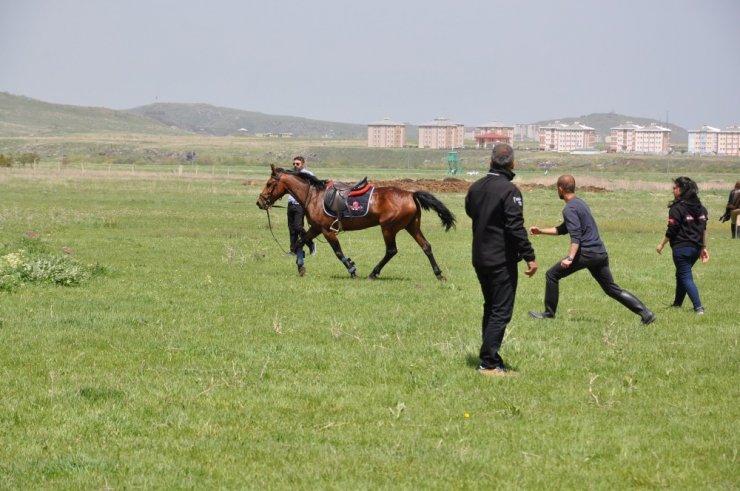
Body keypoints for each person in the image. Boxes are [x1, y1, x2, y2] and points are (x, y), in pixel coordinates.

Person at [528, 175, 656, 325]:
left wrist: (570, 258)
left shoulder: (569, 208)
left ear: (560, 189)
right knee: (611, 289)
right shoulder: (580, 203)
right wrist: (541, 231)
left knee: (552, 275)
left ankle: (549, 313)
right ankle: (646, 313)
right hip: (600, 253)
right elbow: (564, 229)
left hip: (587, 253)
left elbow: (576, 236)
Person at [465, 143, 538, 377]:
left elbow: (471, 212)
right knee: (501, 311)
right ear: (513, 164)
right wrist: (529, 256)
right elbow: (515, 226)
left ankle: (491, 357)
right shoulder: (509, 191)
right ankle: (487, 363)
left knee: (491, 307)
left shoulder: (475, 188)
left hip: (479, 257)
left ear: (490, 162)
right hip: (500, 260)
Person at [656, 176, 709, 314]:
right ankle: (677, 304)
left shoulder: (677, 208)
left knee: (685, 276)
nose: (672, 191)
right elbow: (703, 230)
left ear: (682, 189)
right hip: (696, 249)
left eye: (674, 188)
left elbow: (672, 230)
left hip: (682, 249)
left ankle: (698, 308)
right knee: (681, 274)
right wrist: (703, 248)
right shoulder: (701, 208)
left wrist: (661, 244)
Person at [286, 156, 316, 259]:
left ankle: (310, 244)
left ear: (302, 164)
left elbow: (314, 189)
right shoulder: (291, 175)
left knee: (298, 227)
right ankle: (293, 250)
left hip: (300, 205)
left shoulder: (308, 175)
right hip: (290, 203)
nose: (295, 165)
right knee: (291, 228)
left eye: (297, 164)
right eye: (294, 164)